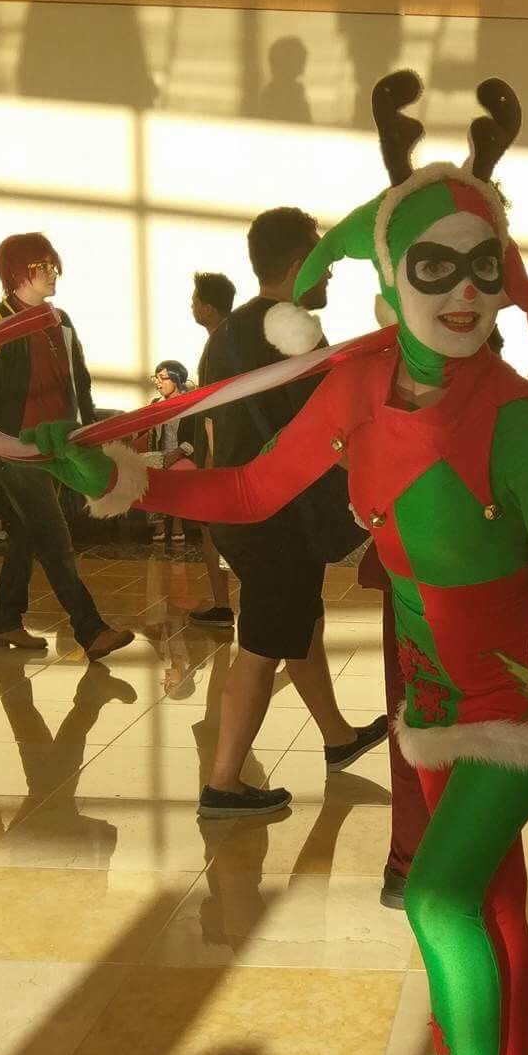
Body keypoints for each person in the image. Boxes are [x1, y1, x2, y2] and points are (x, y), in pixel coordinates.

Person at [25, 71, 528, 1055]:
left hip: (518, 702)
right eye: (434, 267)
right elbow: (254, 488)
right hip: (429, 694)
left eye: (483, 268)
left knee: (443, 901)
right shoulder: (355, 381)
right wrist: (124, 479)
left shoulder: (517, 418)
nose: (462, 292)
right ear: (390, 276)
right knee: (491, 910)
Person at [183, 205, 387, 818]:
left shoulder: (227, 333)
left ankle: (337, 737)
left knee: (300, 621)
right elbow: (333, 426)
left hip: (238, 503)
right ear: (300, 265)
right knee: (263, 642)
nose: (331, 274)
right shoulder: (292, 332)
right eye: (323, 262)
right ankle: (224, 783)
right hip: (276, 512)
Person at [0, 231, 132, 660]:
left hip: (58, 448)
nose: (52, 272)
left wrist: (89, 433)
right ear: (15, 272)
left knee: (26, 538)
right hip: (18, 452)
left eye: (52, 264)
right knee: (56, 541)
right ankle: (90, 630)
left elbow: (79, 381)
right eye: (41, 266)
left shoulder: (59, 319)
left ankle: (4, 620)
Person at [149, 357, 233, 624]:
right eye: (156, 378)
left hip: (213, 473)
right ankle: (223, 605)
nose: (159, 382)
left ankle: (225, 605)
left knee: (218, 538)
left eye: (163, 377)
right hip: (215, 474)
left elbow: (204, 440)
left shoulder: (200, 404)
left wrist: (207, 473)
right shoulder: (161, 404)